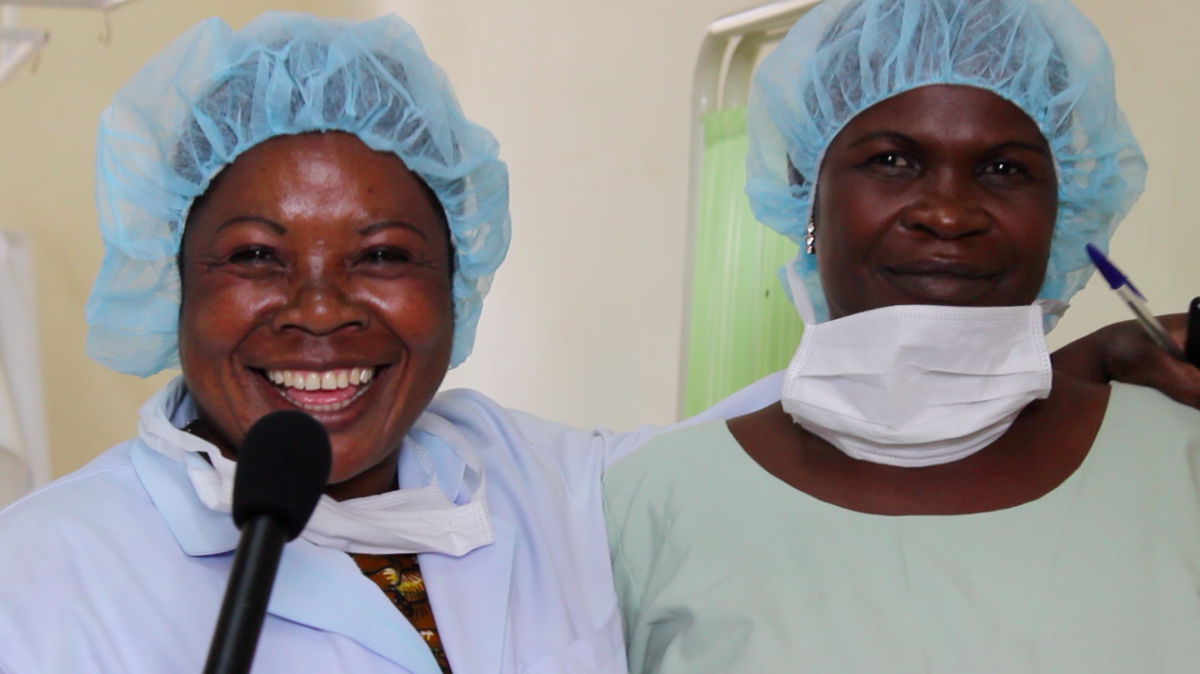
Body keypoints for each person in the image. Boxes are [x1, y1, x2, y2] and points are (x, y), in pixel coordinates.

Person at [0, 8, 1193, 674]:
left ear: (460, 281)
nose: (321, 309)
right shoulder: (42, 576)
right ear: (173, 276)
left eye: (383, 254)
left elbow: (830, 430)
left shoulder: (557, 487)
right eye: (255, 255)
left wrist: (1071, 366)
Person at [605, 0, 1200, 672]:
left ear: (1064, 203)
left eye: (1004, 169)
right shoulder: (651, 506)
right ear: (807, 192)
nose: (947, 214)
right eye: (892, 160)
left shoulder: (1182, 467)